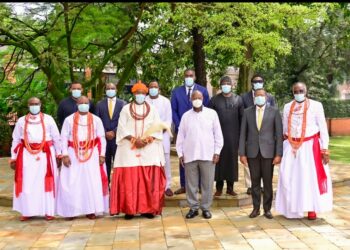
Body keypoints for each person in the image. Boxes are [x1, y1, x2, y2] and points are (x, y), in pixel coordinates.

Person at [110, 81, 167, 220]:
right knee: (129, 180)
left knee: (148, 180)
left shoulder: (152, 109)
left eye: (142, 93)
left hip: (149, 148)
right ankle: (129, 209)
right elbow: (122, 128)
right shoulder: (125, 109)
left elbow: (157, 127)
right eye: (137, 93)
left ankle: (147, 209)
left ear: (145, 94)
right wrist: (135, 140)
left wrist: (146, 140)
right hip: (129, 148)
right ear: (133, 94)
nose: (140, 95)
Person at [275, 82, 332, 220]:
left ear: (306, 92)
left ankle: (312, 208)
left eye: (301, 91)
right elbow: (284, 129)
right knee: (288, 177)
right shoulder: (288, 106)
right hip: (291, 145)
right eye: (296, 91)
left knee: (309, 178)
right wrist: (286, 145)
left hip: (310, 147)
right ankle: (292, 209)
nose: (298, 93)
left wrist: (324, 148)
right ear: (292, 92)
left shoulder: (316, 105)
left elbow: (323, 128)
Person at [10, 97, 61, 221]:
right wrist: (13, 158)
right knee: (27, 182)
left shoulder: (48, 119)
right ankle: (27, 211)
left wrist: (59, 154)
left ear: (40, 104)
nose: (34, 106)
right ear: (28, 105)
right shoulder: (21, 121)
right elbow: (16, 139)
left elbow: (56, 138)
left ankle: (48, 211)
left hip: (45, 154)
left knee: (46, 183)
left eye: (36, 104)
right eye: (32, 104)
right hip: (26, 156)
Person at [57, 96, 108, 220]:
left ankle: (91, 210)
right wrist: (64, 154)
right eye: (81, 103)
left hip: (91, 153)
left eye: (86, 103)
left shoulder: (96, 120)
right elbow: (63, 138)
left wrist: (102, 154)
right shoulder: (69, 120)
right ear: (77, 104)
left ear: (89, 104)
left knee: (90, 182)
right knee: (71, 182)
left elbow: (101, 138)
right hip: (73, 153)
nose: (84, 104)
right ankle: (70, 211)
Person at [176, 90, 224, 219]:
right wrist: (180, 154)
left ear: (203, 98)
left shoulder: (212, 114)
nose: (197, 99)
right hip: (190, 155)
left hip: (207, 154)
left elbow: (218, 135)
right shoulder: (186, 116)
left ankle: (206, 208)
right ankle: (193, 208)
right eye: (194, 97)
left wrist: (217, 152)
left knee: (207, 183)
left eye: (199, 97)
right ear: (191, 100)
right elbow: (180, 136)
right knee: (191, 184)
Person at [239, 89, 283, 219]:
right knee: (255, 182)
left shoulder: (274, 112)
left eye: (262, 95)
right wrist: (242, 153)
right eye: (257, 95)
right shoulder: (247, 112)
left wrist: (278, 153)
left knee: (268, 182)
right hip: (252, 153)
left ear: (266, 97)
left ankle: (267, 209)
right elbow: (243, 134)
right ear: (254, 98)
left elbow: (279, 135)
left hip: (269, 153)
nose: (259, 97)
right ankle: (256, 208)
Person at [171, 69, 210, 195]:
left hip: (200, 131)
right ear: (184, 77)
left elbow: (206, 109)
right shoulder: (176, 91)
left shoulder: (203, 90)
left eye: (191, 75)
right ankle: (184, 185)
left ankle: (198, 185)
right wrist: (180, 126)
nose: (188, 77)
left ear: (195, 76)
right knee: (183, 157)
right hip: (182, 130)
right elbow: (174, 111)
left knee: (199, 156)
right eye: (186, 75)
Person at [241, 74, 277, 195]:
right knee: (249, 165)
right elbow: (243, 115)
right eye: (255, 81)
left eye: (260, 81)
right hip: (251, 135)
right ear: (251, 83)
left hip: (266, 137)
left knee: (266, 170)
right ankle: (250, 185)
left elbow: (274, 115)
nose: (257, 83)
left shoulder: (270, 97)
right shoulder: (244, 97)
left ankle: (261, 187)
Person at [209, 76, 244, 196]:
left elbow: (242, 119)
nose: (226, 85)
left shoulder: (238, 99)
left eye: (228, 83)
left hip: (233, 137)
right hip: (217, 137)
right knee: (218, 161)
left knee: (231, 162)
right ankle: (219, 188)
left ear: (232, 85)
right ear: (220, 86)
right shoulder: (214, 100)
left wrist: (241, 138)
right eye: (223, 83)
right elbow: (209, 119)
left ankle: (230, 187)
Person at [145, 80, 174, 197]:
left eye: (155, 87)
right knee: (149, 161)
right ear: (148, 89)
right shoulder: (144, 101)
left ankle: (167, 186)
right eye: (151, 87)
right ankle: (150, 186)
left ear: (159, 89)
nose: (153, 88)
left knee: (165, 161)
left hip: (162, 136)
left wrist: (159, 130)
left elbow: (168, 119)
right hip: (147, 136)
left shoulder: (166, 101)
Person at [95, 83, 126, 183]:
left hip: (118, 139)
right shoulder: (99, 104)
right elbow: (97, 121)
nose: (110, 90)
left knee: (119, 163)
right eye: (108, 88)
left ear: (116, 89)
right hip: (104, 140)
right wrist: (105, 133)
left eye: (112, 88)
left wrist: (114, 132)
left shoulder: (123, 104)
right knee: (105, 164)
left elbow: (125, 121)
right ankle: (106, 187)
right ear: (105, 90)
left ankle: (118, 186)